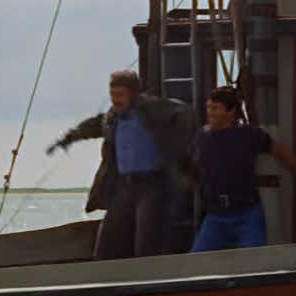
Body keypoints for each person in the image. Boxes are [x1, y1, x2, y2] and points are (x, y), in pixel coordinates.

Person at [46, 69, 193, 260]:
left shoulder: (152, 110)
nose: (116, 100)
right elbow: (91, 126)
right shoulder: (112, 117)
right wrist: (67, 139)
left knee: (147, 242)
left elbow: (184, 113)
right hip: (124, 186)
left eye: (120, 95)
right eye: (112, 95)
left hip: (151, 185)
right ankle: (105, 279)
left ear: (134, 93)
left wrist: (180, 150)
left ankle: (149, 279)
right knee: (108, 242)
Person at [183, 86, 296, 253]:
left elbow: (281, 152)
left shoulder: (249, 135)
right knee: (196, 264)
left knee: (255, 264)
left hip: (247, 215)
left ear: (231, 111)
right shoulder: (201, 137)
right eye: (208, 107)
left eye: (215, 108)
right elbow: (190, 165)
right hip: (215, 217)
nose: (210, 113)